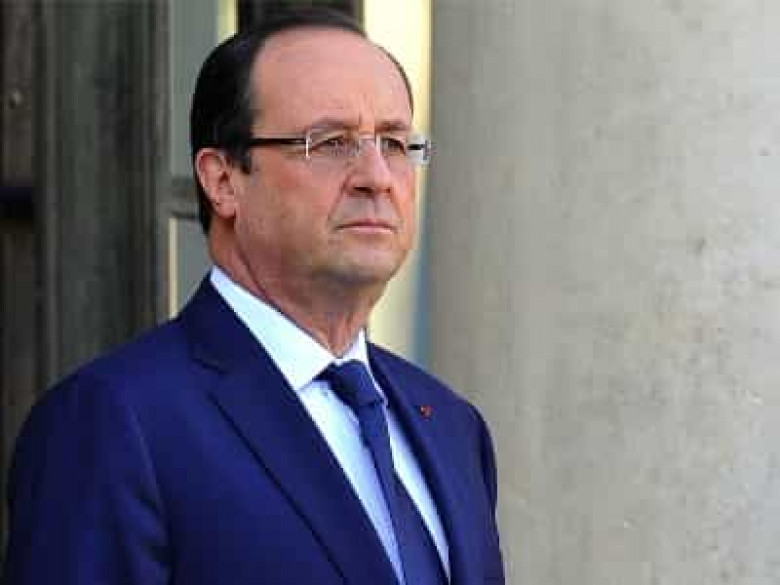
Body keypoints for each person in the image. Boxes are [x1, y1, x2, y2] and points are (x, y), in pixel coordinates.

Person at [3, 8, 504, 585]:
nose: (376, 176)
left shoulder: (451, 426)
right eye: (331, 142)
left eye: (394, 142)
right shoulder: (115, 422)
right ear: (222, 181)